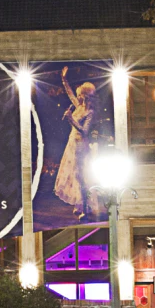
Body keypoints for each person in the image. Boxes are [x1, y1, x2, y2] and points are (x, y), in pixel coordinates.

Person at [54, 68, 105, 220]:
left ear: (85, 96)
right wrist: (64, 80)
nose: (78, 96)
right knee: (75, 176)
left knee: (81, 176)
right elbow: (70, 94)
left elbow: (84, 131)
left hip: (81, 145)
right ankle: (80, 204)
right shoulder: (79, 106)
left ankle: (87, 208)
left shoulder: (90, 112)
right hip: (72, 143)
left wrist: (71, 119)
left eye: (80, 95)